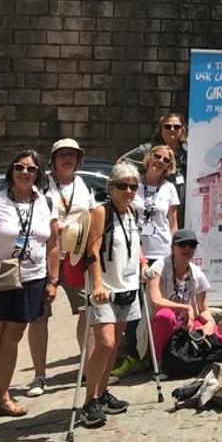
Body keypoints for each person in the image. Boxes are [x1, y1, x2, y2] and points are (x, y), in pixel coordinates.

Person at [0, 150, 59, 428]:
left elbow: (53, 245)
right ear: (11, 171)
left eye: (31, 169)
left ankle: (3, 397)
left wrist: (53, 281)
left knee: (12, 340)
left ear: (38, 174)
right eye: (20, 167)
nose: (25, 173)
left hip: (32, 279)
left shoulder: (45, 202)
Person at [26, 138, 95, 398]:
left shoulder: (82, 184)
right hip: (46, 258)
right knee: (39, 317)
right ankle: (39, 375)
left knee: (87, 312)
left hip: (76, 257)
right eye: (62, 154)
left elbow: (91, 215)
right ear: (53, 160)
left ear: (78, 160)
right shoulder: (41, 185)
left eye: (72, 155)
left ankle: (88, 369)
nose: (68, 159)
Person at [79, 162, 143, 428]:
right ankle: (89, 402)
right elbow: (92, 251)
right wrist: (97, 285)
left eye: (133, 186)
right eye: (123, 186)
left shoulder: (132, 213)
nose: (129, 191)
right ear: (111, 187)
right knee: (104, 342)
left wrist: (143, 262)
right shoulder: (101, 212)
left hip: (126, 286)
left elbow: (133, 244)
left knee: (115, 345)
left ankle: (103, 393)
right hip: (104, 288)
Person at [112, 143, 182, 380]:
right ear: (149, 158)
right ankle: (132, 354)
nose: (160, 161)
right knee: (134, 304)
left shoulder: (169, 188)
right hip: (133, 250)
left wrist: (174, 250)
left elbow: (172, 223)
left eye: (166, 159)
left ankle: (153, 354)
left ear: (169, 166)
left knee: (154, 304)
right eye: (157, 156)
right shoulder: (133, 184)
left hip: (161, 251)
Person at [145, 229, 220, 362]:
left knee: (218, 334)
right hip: (162, 323)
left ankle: (195, 362)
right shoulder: (159, 266)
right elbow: (155, 300)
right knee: (165, 316)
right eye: (182, 244)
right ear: (173, 247)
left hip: (187, 322)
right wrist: (185, 308)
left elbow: (203, 308)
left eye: (192, 245)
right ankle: (161, 361)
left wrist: (209, 323)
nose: (187, 248)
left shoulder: (197, 274)